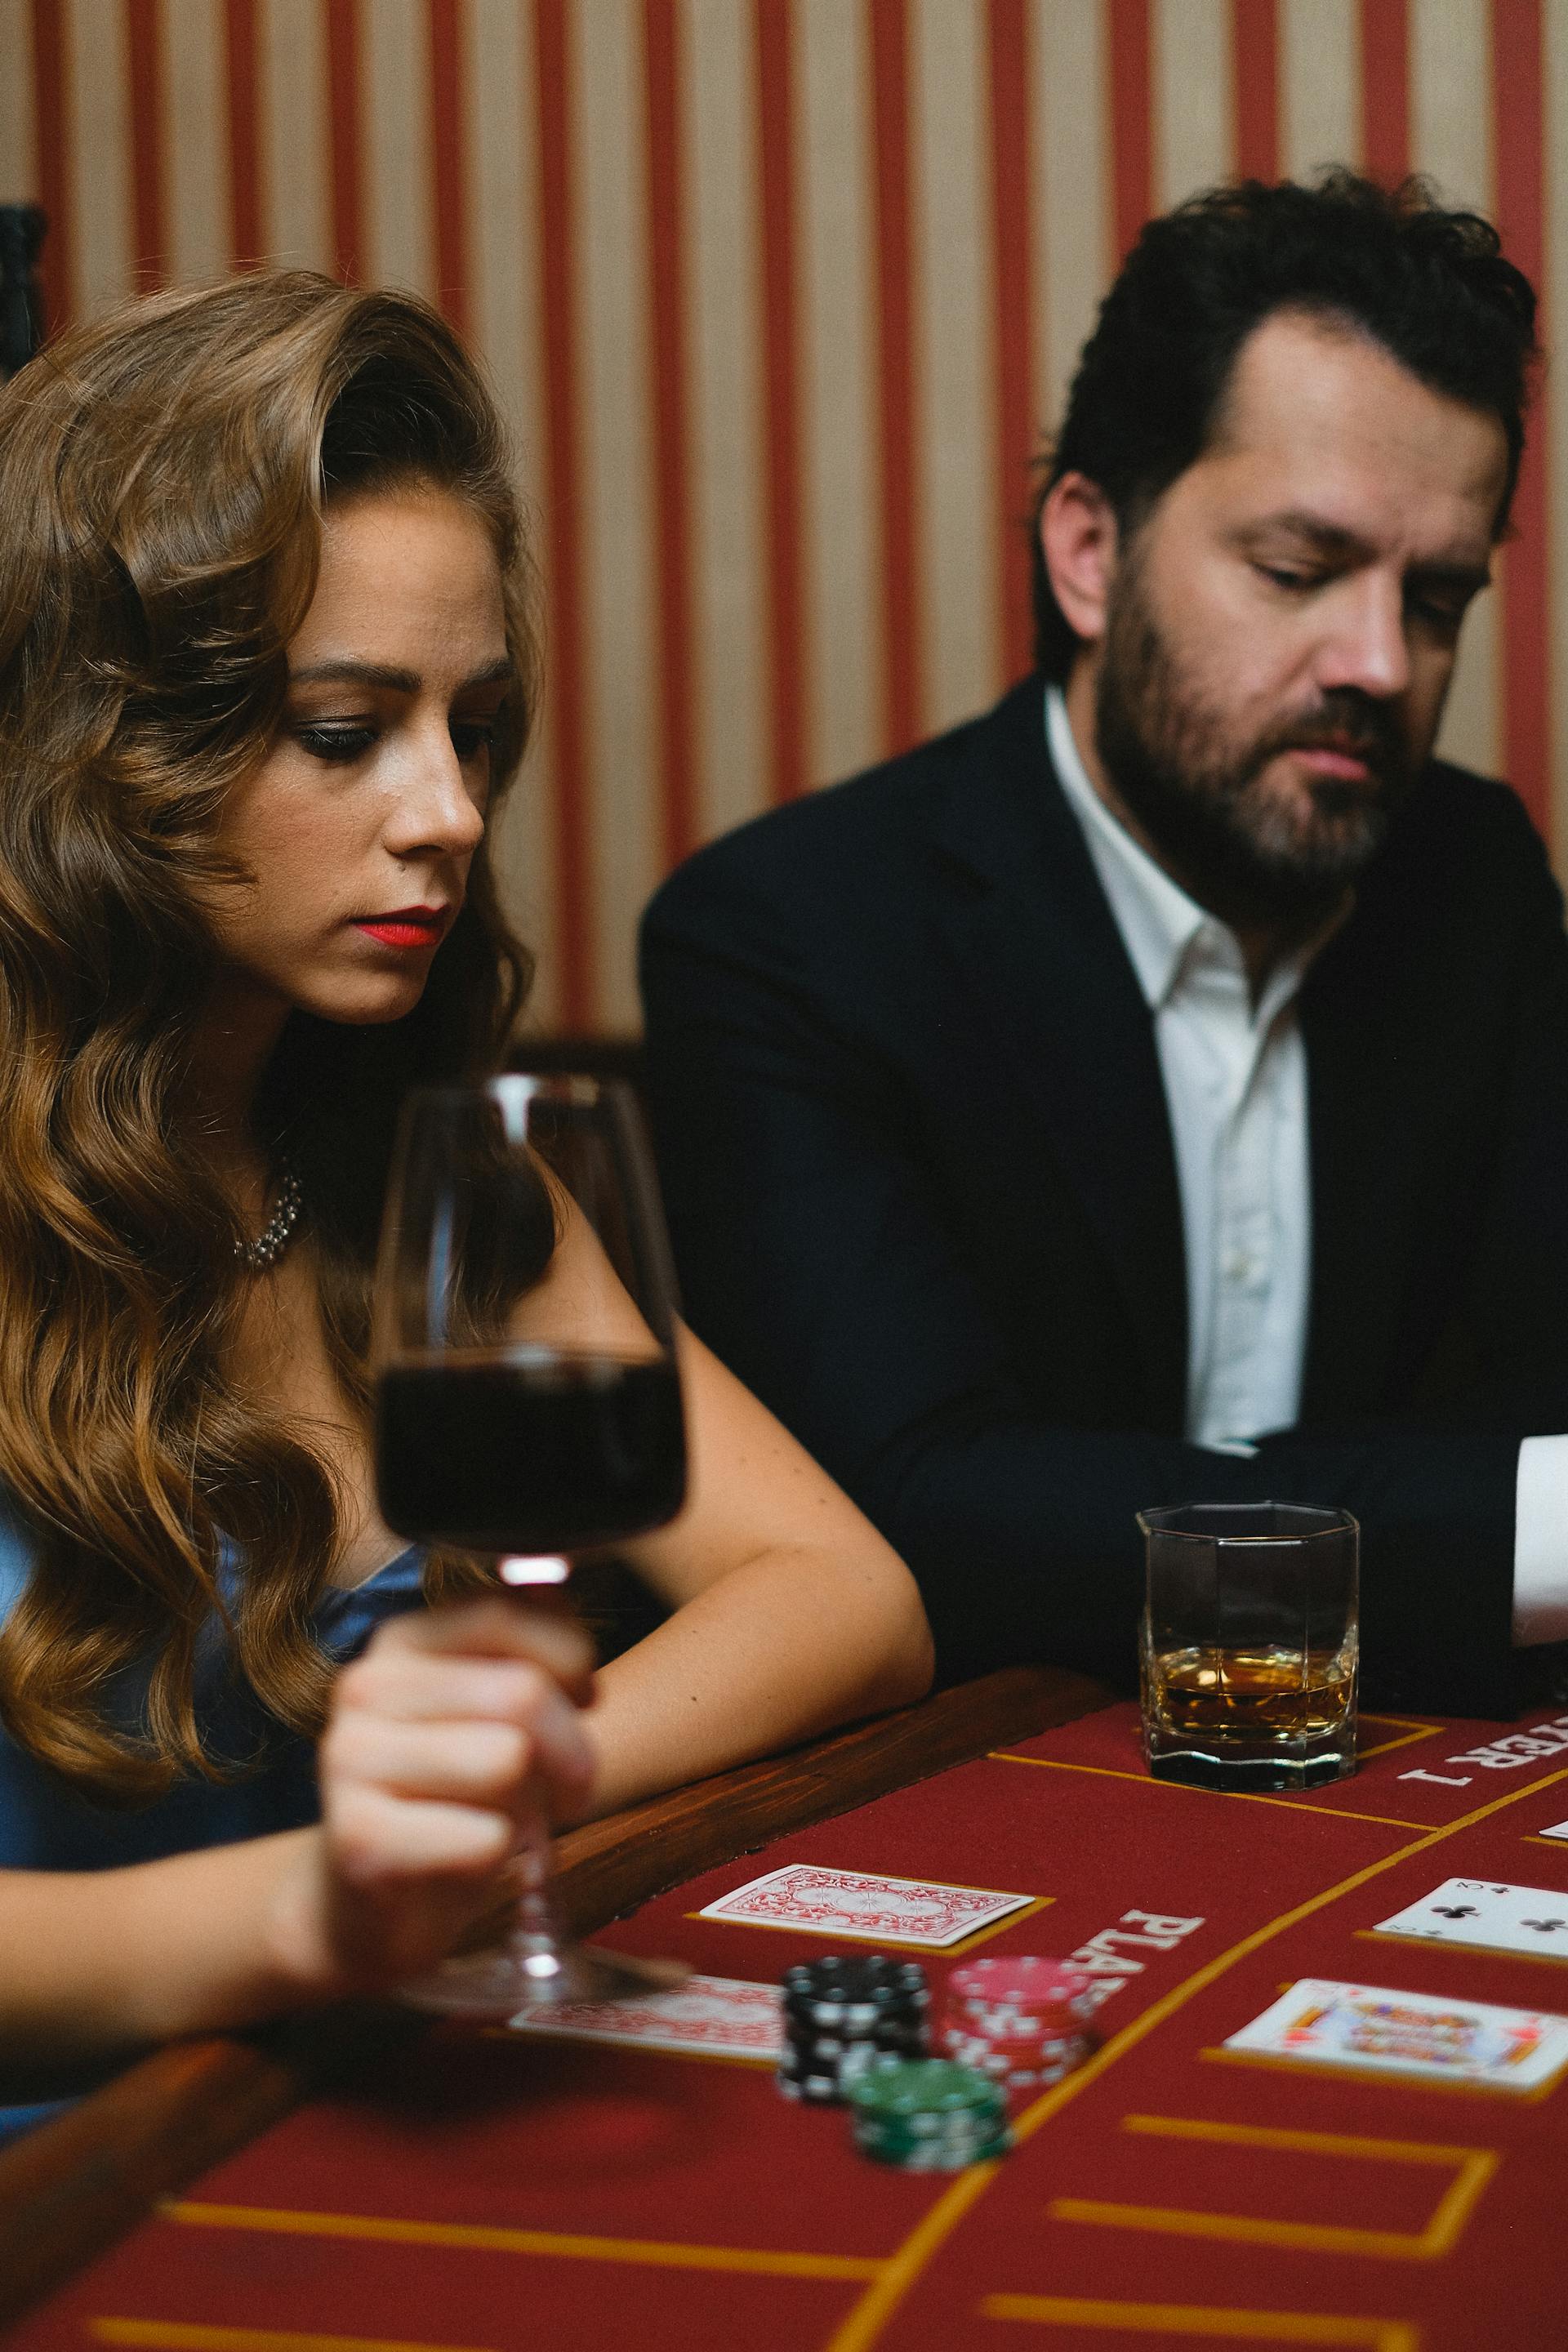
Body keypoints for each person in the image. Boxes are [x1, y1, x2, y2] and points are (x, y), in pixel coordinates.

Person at [0, 271, 933, 2086]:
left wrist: (509, 1786)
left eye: (473, 724)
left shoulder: (415, 1180)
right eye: (345, 732)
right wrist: (312, 1905)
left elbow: (845, 1594)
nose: (448, 811)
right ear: (103, 756)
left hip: (329, 2107)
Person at [640, 171, 1568, 1722]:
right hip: (959, 1780)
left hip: (1375, 1762)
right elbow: (920, 1518)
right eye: (1297, 571)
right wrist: (1500, 1526)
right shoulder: (793, 937)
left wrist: (1086, 1507)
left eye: (1441, 597)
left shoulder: (1471, 882)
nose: (1378, 662)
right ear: (1088, 548)